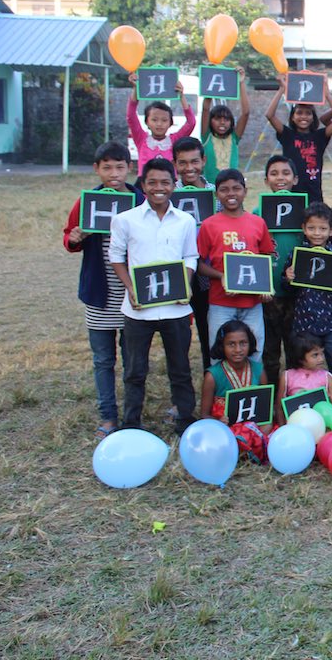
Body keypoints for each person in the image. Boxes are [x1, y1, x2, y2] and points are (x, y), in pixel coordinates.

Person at [108, 157, 198, 434]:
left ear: (174, 185)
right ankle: (131, 424)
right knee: (135, 371)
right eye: (153, 182)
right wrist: (130, 288)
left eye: (165, 182)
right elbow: (116, 257)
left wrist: (186, 284)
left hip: (175, 308)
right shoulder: (125, 220)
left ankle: (185, 421)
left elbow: (190, 256)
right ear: (143, 185)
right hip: (138, 310)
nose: (159, 188)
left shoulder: (185, 221)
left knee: (180, 369)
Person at [63, 141, 144, 438]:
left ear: (129, 168)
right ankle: (108, 416)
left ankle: (132, 415)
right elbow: (69, 238)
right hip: (100, 292)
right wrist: (75, 238)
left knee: (133, 359)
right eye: (107, 167)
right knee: (103, 359)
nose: (114, 173)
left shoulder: (140, 201)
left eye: (120, 167)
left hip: (133, 293)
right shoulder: (87, 202)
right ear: (96, 169)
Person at [197, 169, 276, 361]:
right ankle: (221, 382)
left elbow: (266, 257)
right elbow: (198, 264)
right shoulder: (208, 225)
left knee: (254, 352)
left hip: (252, 303)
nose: (231, 193)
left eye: (236, 188)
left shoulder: (258, 223)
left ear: (245, 191)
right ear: (216, 194)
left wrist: (266, 287)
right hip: (220, 302)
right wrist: (221, 276)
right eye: (224, 189)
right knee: (218, 352)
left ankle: (251, 382)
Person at [282, 203, 332, 381]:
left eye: (322, 228)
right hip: (305, 321)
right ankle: (300, 392)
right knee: (301, 364)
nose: (317, 233)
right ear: (304, 228)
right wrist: (288, 277)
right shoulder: (297, 254)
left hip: (331, 321)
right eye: (311, 228)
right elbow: (287, 288)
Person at [256, 156, 302, 393]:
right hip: (269, 294)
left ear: (295, 179)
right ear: (266, 180)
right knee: (270, 350)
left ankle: (295, 394)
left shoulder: (304, 211)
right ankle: (272, 395)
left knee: (296, 347)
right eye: (274, 173)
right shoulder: (258, 213)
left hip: (297, 294)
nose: (280, 178)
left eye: (286, 173)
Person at [172, 137, 216, 371]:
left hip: (207, 272)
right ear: (175, 164)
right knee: (178, 330)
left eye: (194, 161)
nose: (189, 168)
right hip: (178, 271)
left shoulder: (216, 193)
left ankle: (211, 373)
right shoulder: (169, 193)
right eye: (183, 163)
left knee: (208, 326)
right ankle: (181, 378)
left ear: (204, 161)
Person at [266, 74, 332, 202]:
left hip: (314, 194)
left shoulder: (319, 136)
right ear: (292, 117)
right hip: (291, 193)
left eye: (308, 113)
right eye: (299, 113)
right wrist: (281, 89)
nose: (303, 116)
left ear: (313, 118)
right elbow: (269, 115)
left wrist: (328, 96)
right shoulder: (287, 135)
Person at [126, 74, 196, 177]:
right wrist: (136, 88)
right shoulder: (141, 139)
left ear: (170, 123)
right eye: (154, 120)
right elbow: (131, 116)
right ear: (147, 122)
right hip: (145, 187)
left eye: (164, 120)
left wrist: (181, 96)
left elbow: (191, 123)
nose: (159, 124)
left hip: (169, 186)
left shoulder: (174, 141)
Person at [199, 319, 268, 423]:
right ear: (222, 345)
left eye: (243, 343)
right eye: (231, 344)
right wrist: (219, 422)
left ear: (250, 343)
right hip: (224, 427)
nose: (238, 349)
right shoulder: (212, 376)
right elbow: (204, 415)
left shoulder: (259, 370)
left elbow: (265, 410)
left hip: (254, 425)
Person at [199, 68, 250, 179]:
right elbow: (206, 109)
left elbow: (246, 113)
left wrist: (241, 83)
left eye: (226, 119)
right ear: (210, 121)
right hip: (211, 187)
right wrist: (210, 79)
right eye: (218, 119)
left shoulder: (234, 138)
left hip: (231, 186)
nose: (222, 122)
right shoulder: (206, 137)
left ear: (231, 122)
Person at [278, 332, 332, 416]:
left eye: (322, 353)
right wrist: (282, 423)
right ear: (300, 358)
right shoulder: (287, 377)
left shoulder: (327, 377)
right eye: (315, 355)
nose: (321, 359)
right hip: (296, 421)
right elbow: (280, 407)